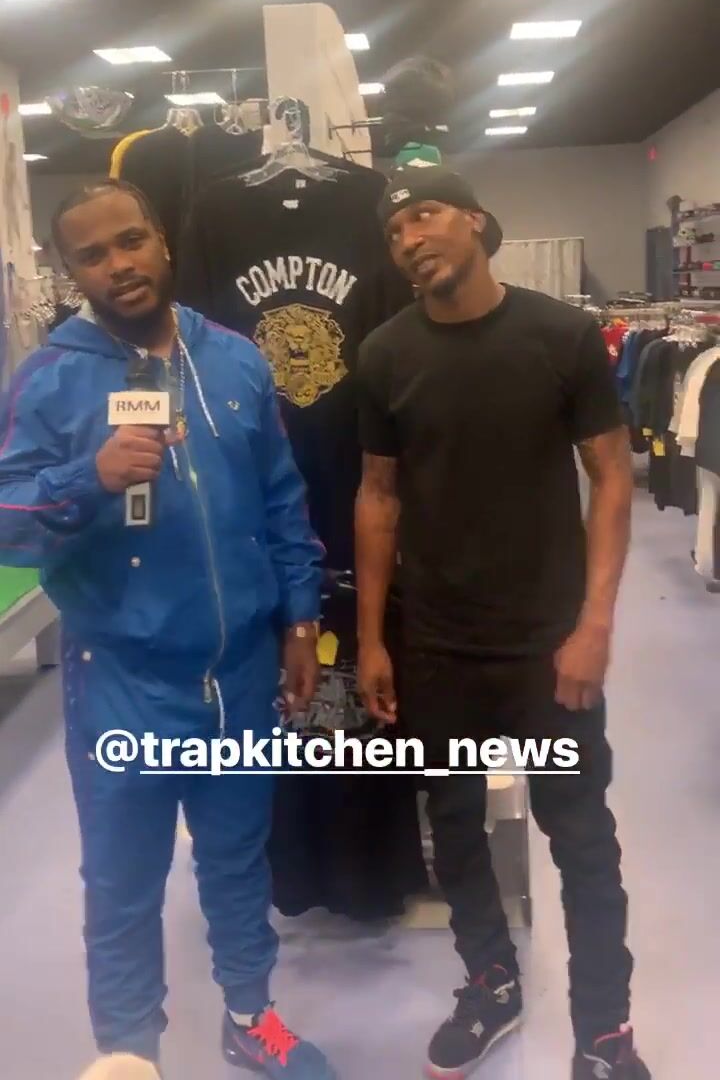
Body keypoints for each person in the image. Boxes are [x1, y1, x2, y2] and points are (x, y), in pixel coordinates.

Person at [0, 179, 336, 1080]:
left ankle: (250, 1017)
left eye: (130, 240)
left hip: (241, 672)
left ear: (162, 241)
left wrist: (300, 620)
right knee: (123, 880)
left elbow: (282, 499)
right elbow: (7, 518)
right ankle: (129, 1054)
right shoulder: (49, 378)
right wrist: (90, 478)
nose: (119, 264)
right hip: (123, 680)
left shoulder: (234, 360)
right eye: (93, 255)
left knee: (237, 859)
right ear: (70, 271)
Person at [353, 167, 651, 1080]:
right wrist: (372, 638)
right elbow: (377, 496)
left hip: (546, 648)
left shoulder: (561, 335)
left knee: (581, 839)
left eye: (425, 215)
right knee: (453, 826)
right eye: (395, 230)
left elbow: (611, 475)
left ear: (477, 222)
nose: (410, 238)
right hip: (437, 646)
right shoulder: (385, 354)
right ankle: (491, 983)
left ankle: (604, 1032)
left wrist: (594, 624)